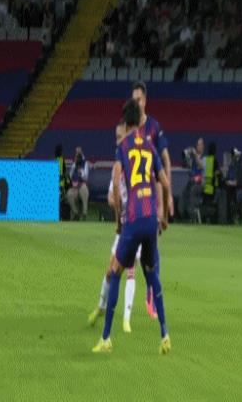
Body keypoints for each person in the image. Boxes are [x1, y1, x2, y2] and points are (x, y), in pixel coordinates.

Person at [92, 99, 171, 355]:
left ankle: (106, 338)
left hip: (134, 219)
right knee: (152, 274)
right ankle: (164, 334)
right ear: (140, 122)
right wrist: (164, 216)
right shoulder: (150, 146)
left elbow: (116, 183)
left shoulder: (122, 147)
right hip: (151, 219)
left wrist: (118, 220)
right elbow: (164, 181)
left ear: (126, 123)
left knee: (115, 271)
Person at [88, 123, 143, 334]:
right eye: (116, 137)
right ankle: (100, 307)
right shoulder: (117, 167)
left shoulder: (138, 163)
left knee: (131, 270)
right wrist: (115, 202)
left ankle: (126, 319)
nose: (118, 141)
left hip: (137, 223)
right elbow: (111, 195)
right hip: (123, 226)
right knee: (111, 272)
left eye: (121, 136)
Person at [132, 81, 173, 318]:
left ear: (145, 101)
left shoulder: (154, 128)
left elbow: (165, 159)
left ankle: (152, 292)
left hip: (152, 194)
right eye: (133, 100)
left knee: (152, 244)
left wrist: (168, 195)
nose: (136, 103)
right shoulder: (129, 126)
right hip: (133, 196)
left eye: (139, 99)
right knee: (136, 250)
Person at [66, 146, 89, 221]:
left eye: (78, 153)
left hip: (82, 185)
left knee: (85, 192)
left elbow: (86, 177)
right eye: (76, 153)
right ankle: (75, 212)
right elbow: (70, 176)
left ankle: (84, 213)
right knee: (69, 194)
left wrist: (81, 173)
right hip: (74, 187)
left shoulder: (85, 163)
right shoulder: (74, 164)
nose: (76, 156)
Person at [225, 147, 242, 224]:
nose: (234, 157)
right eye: (233, 155)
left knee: (234, 197)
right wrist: (227, 182)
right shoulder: (230, 166)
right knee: (226, 194)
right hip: (231, 189)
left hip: (239, 189)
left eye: (235, 155)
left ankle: (236, 216)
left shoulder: (239, 166)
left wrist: (230, 182)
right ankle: (228, 218)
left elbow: (238, 182)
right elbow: (227, 178)